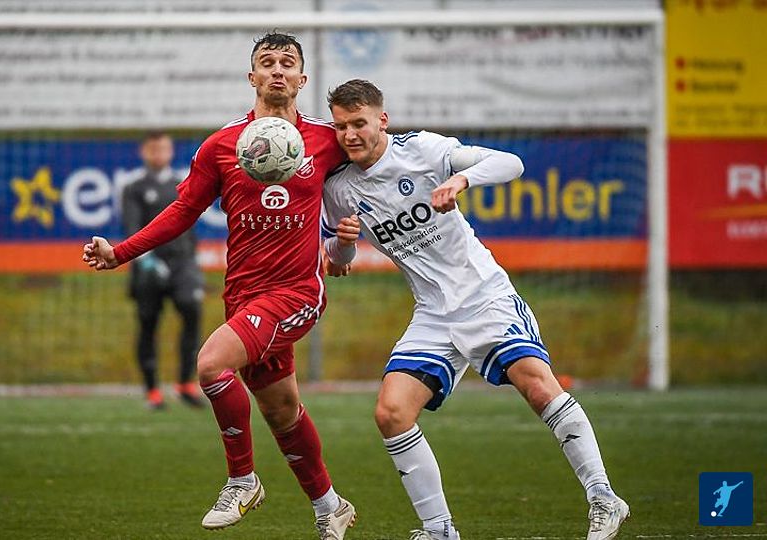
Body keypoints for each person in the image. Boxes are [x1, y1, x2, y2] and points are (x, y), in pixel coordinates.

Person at [321, 79, 629, 540]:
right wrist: (345, 244)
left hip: (484, 296)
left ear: (382, 120)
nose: (349, 134)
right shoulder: (340, 188)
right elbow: (337, 260)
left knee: (537, 386)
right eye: (341, 126)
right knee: (391, 413)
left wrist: (462, 179)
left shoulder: (422, 150)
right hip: (432, 314)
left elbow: (511, 162)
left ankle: (604, 497)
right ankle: (439, 529)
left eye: (359, 123)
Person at [83, 32, 356, 539]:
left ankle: (242, 481)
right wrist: (120, 252)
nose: (277, 70)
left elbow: (375, 170)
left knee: (210, 364)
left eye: (287, 63)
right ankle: (330, 506)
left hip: (298, 291)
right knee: (281, 411)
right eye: (267, 62)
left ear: (302, 78)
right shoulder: (222, 145)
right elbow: (184, 210)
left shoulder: (327, 139)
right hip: (244, 296)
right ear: (252, 77)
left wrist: (344, 248)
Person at [121, 131, 205, 410]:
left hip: (182, 264)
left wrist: (191, 260)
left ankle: (185, 383)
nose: (159, 154)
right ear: (144, 152)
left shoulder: (182, 183)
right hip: (149, 265)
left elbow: (190, 227)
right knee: (148, 323)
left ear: (171, 151)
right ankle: (152, 390)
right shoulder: (133, 188)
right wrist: (145, 260)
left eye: (164, 148)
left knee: (192, 309)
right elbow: (132, 229)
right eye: (153, 149)